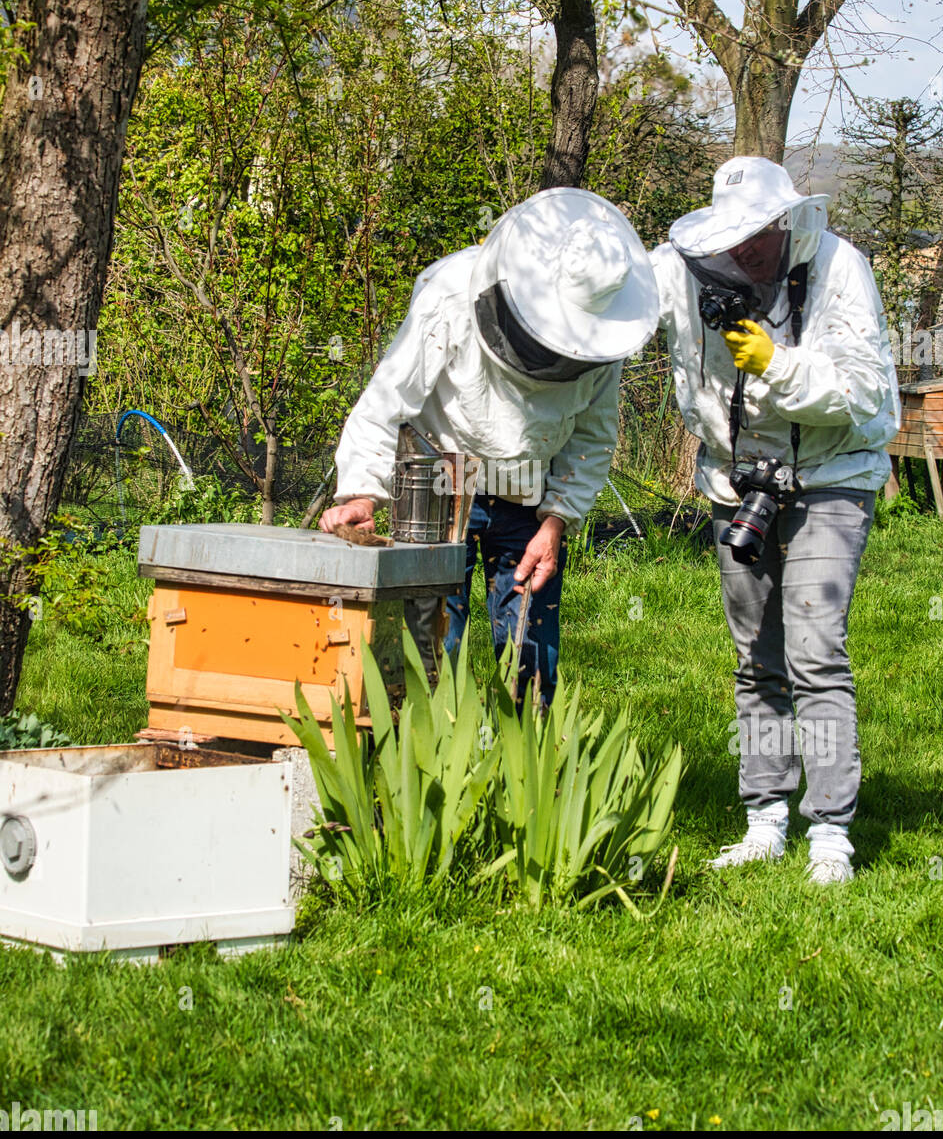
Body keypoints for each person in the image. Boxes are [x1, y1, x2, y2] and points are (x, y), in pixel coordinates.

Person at [651, 156, 900, 884]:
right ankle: (764, 820)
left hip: (832, 477)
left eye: (757, 235)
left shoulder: (838, 268)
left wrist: (776, 364)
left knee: (814, 652)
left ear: (785, 221)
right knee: (753, 658)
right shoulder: (684, 267)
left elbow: (862, 397)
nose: (746, 251)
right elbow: (611, 295)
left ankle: (830, 833)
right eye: (733, 238)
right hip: (740, 484)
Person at [319, 188, 659, 704]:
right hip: (438, 481)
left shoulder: (604, 333)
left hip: (529, 495)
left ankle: (527, 771)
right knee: (429, 650)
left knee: (531, 657)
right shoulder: (452, 293)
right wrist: (363, 492)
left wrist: (557, 521)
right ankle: (425, 768)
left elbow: (593, 435)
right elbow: (390, 395)